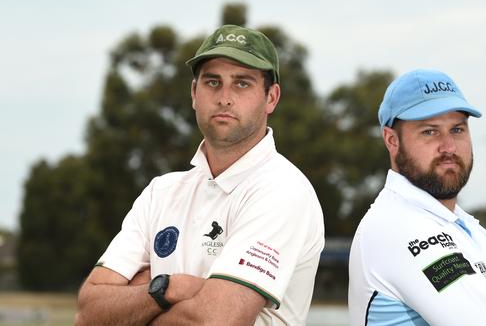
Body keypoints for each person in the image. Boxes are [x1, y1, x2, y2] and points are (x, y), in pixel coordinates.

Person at [76, 24, 325, 325]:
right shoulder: (161, 192)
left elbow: (212, 321)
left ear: (271, 97)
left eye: (242, 84)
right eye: (212, 82)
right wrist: (167, 289)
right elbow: (88, 313)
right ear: (194, 93)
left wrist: (138, 296)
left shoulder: (282, 189)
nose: (224, 97)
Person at [348, 69, 486, 326]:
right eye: (430, 132)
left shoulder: (469, 229)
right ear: (392, 140)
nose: (449, 147)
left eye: (457, 129)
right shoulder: (394, 225)